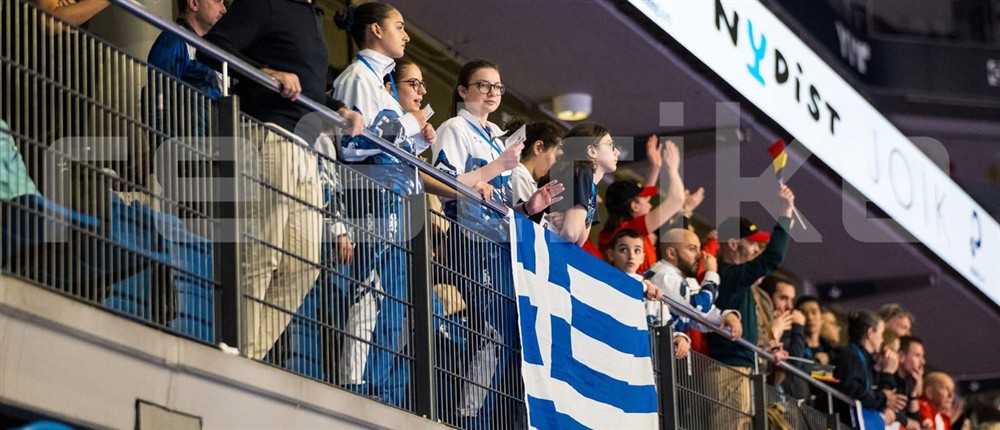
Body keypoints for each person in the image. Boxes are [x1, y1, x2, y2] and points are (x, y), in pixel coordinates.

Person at [199, 0, 364, 362]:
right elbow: (212, 47)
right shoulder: (268, 3)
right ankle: (237, 355)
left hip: (303, 146)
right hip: (268, 132)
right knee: (263, 251)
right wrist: (266, 72)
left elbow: (311, 87)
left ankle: (250, 357)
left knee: (303, 264)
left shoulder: (311, 16)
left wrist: (339, 109)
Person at [431, 59, 563, 428]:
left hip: (500, 245)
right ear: (463, 91)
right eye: (483, 85)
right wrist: (495, 168)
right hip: (469, 239)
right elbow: (442, 184)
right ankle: (467, 418)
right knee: (492, 332)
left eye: (498, 87)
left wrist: (529, 207)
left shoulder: (496, 138)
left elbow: (498, 202)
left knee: (506, 336)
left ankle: (484, 416)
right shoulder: (454, 128)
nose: (492, 93)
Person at [706, 186, 796, 430]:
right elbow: (773, 257)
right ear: (733, 244)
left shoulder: (738, 281)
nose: (757, 249)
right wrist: (785, 214)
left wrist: (762, 349)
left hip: (737, 371)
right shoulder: (728, 276)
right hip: (729, 372)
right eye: (752, 243)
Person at [643, 228, 742, 360]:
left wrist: (727, 316)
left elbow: (703, 315)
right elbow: (698, 307)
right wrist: (712, 273)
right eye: (692, 249)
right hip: (652, 355)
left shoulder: (687, 280)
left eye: (699, 249)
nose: (700, 255)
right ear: (671, 253)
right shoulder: (664, 275)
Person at [599, 136, 692, 274]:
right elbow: (677, 199)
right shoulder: (631, 229)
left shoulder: (618, 230)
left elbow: (645, 193)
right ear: (634, 207)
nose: (650, 206)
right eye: (647, 202)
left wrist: (655, 166)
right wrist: (672, 169)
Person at [146, 0, 227, 137]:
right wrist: (165, 144)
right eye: (217, 1)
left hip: (217, 143)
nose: (223, 9)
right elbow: (157, 98)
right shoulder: (173, 41)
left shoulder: (218, 47)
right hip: (189, 145)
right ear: (194, 3)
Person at [546, 122, 619, 248]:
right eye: (610, 145)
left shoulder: (592, 188)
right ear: (592, 151)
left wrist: (570, 220)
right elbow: (571, 234)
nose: (617, 152)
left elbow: (581, 241)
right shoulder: (582, 171)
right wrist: (574, 223)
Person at [833, 310, 907, 427]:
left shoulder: (865, 360)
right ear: (870, 333)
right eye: (881, 334)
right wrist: (883, 398)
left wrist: (887, 372)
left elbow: (883, 395)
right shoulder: (851, 355)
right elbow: (853, 391)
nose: (882, 340)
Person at [506, 119, 564, 228]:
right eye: (556, 156)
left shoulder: (527, 181)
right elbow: (520, 225)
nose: (555, 164)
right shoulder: (518, 175)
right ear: (538, 148)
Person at [893, 336, 927, 429]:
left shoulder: (907, 383)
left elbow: (916, 422)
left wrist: (913, 393)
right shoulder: (889, 379)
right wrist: (908, 422)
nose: (923, 362)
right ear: (901, 357)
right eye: (917, 355)